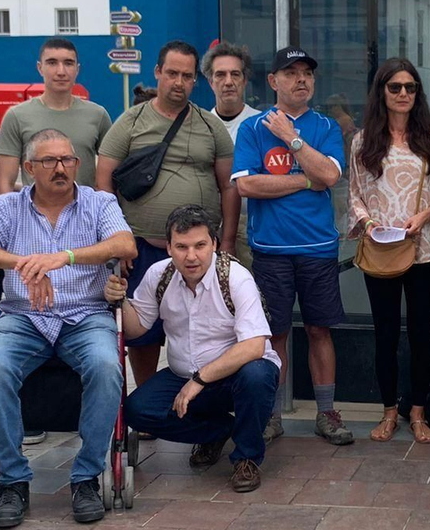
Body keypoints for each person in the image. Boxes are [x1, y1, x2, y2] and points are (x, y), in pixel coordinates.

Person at [0, 129, 137, 529]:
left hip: (85, 314)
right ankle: (12, 480)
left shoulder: (98, 202)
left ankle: (87, 476)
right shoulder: (8, 207)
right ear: (28, 168)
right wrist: (25, 263)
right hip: (23, 316)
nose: (61, 169)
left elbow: (126, 245)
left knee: (108, 366)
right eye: (50, 161)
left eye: (68, 160)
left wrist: (64, 258)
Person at [108, 205, 280, 493]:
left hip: (235, 375)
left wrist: (199, 380)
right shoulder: (158, 275)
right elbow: (137, 327)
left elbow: (254, 345)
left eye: (200, 245)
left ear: (213, 244)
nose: (191, 256)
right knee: (138, 412)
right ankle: (218, 431)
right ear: (169, 247)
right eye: (182, 247)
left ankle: (247, 457)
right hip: (182, 375)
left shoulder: (235, 277)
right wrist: (119, 300)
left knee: (257, 376)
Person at [232, 46, 353, 445]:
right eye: (291, 72)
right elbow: (247, 184)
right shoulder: (252, 129)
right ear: (273, 81)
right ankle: (271, 415)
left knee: (320, 330)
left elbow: (332, 176)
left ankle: (326, 413)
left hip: (318, 248)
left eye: (307, 73)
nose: (301, 79)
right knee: (274, 334)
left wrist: (291, 139)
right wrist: (305, 179)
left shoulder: (326, 126)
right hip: (270, 249)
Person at [96, 40, 235, 387]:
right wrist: (117, 242)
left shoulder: (211, 126)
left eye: (187, 76)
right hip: (140, 248)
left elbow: (229, 187)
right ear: (158, 73)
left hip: (198, 252)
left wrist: (228, 241)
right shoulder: (130, 122)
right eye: (172, 73)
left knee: (201, 328)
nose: (179, 82)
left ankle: (196, 401)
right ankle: (147, 401)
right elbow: (103, 186)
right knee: (143, 335)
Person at [347, 58, 430, 445]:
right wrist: (368, 225)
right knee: (385, 334)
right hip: (380, 250)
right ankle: (388, 411)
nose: (403, 94)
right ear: (382, 92)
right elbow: (355, 195)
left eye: (410, 87)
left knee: (421, 335)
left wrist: (423, 216)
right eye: (395, 87)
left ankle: (418, 412)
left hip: (423, 248)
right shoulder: (364, 141)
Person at [0, 37, 112, 193]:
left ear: (77, 69)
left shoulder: (98, 115)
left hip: (84, 214)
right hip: (34, 214)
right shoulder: (17, 116)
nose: (61, 71)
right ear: (40, 68)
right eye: (52, 63)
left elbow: (109, 176)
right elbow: (5, 183)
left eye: (68, 63)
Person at [204, 40, 261, 266]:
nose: (228, 82)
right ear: (210, 82)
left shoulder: (262, 124)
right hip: (208, 226)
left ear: (244, 81)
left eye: (235, 74)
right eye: (220, 75)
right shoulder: (199, 124)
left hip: (251, 226)